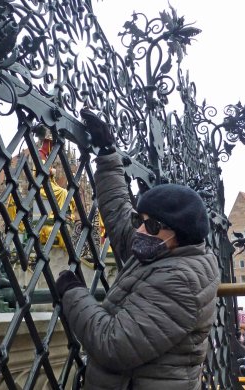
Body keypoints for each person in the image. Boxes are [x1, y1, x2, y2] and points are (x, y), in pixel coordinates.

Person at [55, 109, 221, 390]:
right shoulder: (160, 249)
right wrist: (108, 155)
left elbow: (113, 344)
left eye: (152, 226)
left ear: (178, 234)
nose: (141, 231)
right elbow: (120, 213)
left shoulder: (181, 280)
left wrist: (72, 294)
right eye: (140, 221)